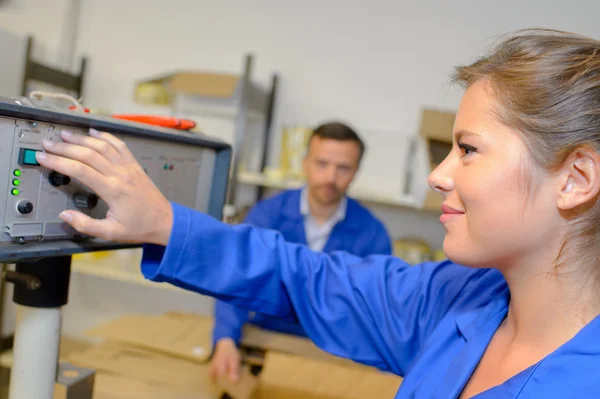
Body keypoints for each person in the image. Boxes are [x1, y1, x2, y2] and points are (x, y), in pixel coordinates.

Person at [36, 29, 600, 398]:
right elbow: (307, 277)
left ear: (575, 180)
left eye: (469, 150)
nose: (439, 175)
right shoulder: (462, 299)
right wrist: (164, 224)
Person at [211, 121, 392, 382]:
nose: (330, 177)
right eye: (322, 164)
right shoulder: (267, 216)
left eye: (343, 168)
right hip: (266, 343)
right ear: (305, 162)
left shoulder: (373, 234)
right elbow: (237, 279)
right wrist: (226, 338)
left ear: (356, 172)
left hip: (333, 356)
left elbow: (377, 309)